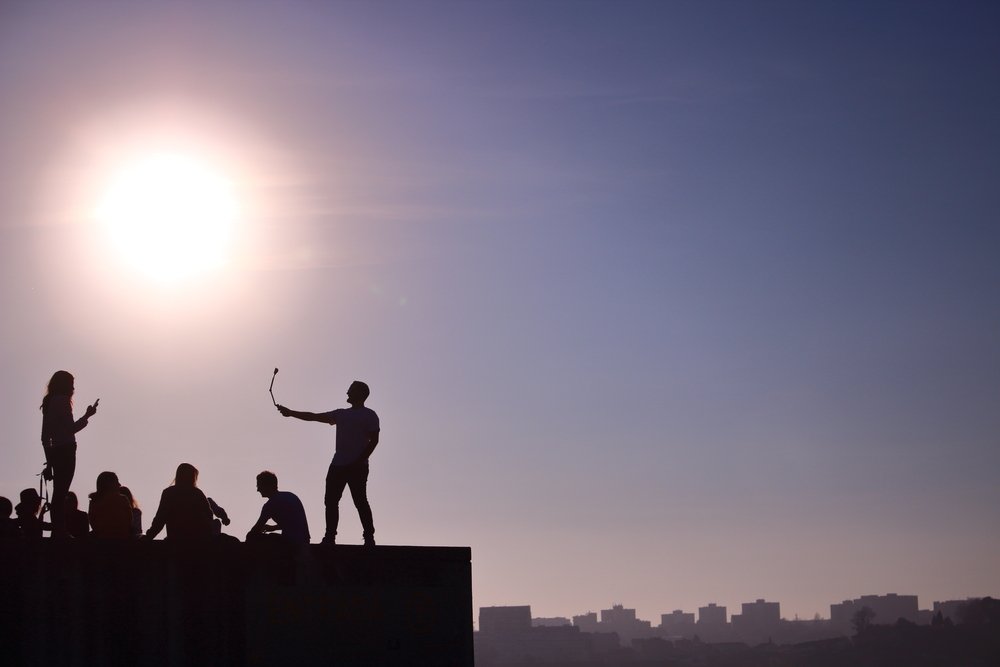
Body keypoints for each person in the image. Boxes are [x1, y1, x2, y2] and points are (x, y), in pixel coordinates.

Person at [277, 380, 380, 546]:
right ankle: (330, 537)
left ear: (360, 394)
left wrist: (359, 461)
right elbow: (315, 417)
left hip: (358, 467)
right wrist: (291, 413)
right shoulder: (341, 414)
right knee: (331, 501)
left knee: (360, 501)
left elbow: (374, 441)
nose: (347, 393)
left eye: (351, 390)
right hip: (338, 465)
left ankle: (369, 537)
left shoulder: (369, 415)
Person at [40, 371, 98, 537]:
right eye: (71, 383)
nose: (73, 387)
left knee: (58, 492)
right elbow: (71, 429)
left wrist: (49, 461)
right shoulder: (63, 401)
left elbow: (44, 437)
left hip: (56, 452)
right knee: (61, 493)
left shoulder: (49, 402)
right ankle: (60, 530)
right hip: (66, 450)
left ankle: (59, 529)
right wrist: (88, 415)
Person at [145, 463, 213, 540]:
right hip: (197, 540)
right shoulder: (197, 493)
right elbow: (209, 516)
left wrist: (148, 536)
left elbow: (160, 519)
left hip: (175, 538)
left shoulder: (169, 493)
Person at [246, 471, 310, 545]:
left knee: (251, 536)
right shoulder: (290, 496)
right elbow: (292, 523)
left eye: (259, 486)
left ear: (267, 486)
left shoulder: (270, 505)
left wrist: (249, 537)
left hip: (291, 543)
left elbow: (256, 529)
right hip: (304, 540)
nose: (258, 490)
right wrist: (273, 528)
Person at [88, 472, 133, 539]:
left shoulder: (94, 501)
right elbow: (129, 521)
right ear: (110, 484)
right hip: (122, 542)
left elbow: (94, 524)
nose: (119, 484)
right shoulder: (122, 499)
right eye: (116, 481)